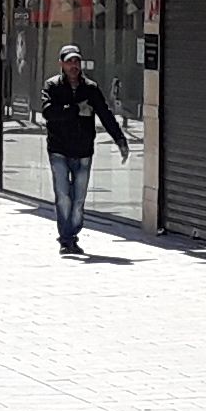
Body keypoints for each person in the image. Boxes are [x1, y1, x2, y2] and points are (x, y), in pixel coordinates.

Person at [39, 43, 133, 254]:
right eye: (70, 61)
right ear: (61, 64)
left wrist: (119, 139)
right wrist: (75, 109)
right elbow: (47, 112)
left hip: (83, 151)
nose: (74, 66)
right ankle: (66, 239)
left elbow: (105, 113)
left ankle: (72, 233)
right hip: (59, 150)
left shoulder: (90, 88)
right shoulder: (52, 86)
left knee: (79, 199)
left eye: (77, 61)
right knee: (63, 196)